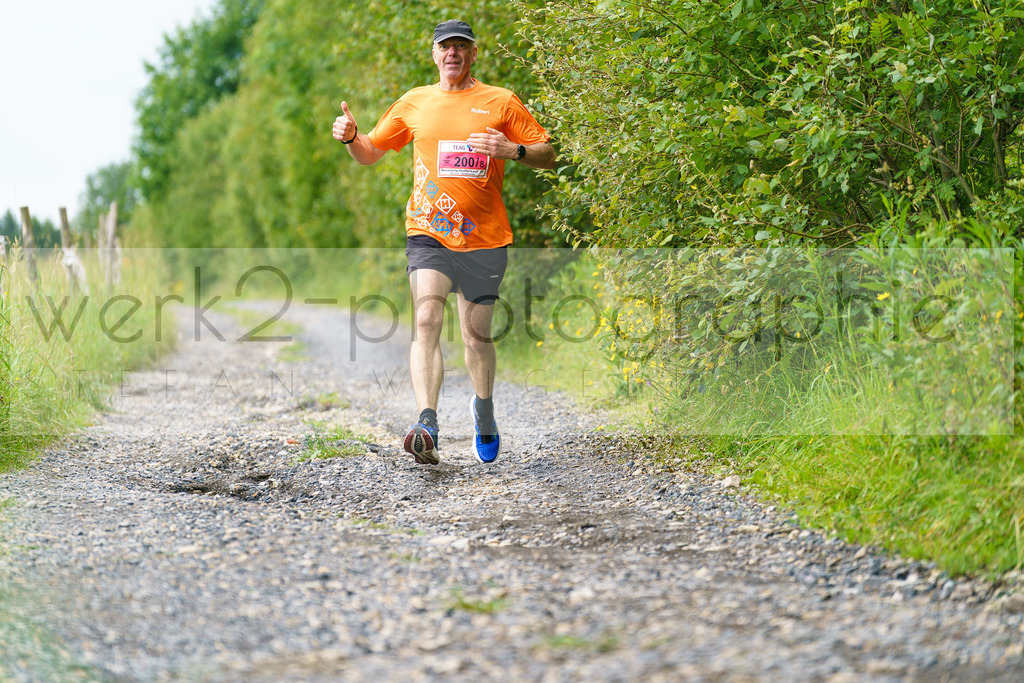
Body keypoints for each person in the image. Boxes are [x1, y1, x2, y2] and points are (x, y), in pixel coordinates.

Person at [332, 19, 556, 465]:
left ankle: (484, 412)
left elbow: (548, 154)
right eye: (445, 47)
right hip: (428, 232)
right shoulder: (414, 102)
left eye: (461, 46)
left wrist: (512, 151)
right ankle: (427, 421)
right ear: (434, 55)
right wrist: (353, 137)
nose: (452, 53)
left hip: (484, 238)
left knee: (475, 337)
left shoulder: (501, 101)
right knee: (427, 319)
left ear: (474, 54)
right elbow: (371, 153)